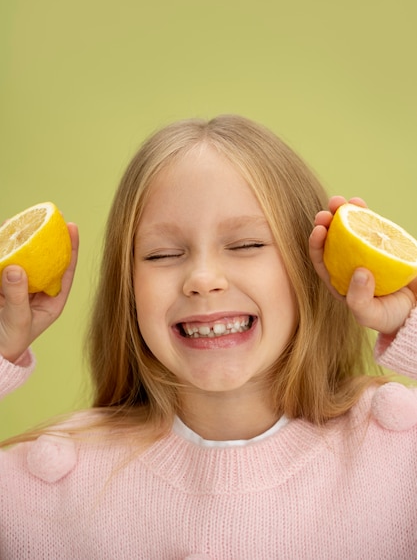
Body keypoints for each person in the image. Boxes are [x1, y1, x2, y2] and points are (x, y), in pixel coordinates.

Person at [1, 114, 416, 559]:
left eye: (245, 245)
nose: (202, 278)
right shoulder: (40, 489)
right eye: (163, 254)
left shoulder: (398, 459)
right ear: (128, 289)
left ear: (311, 269)